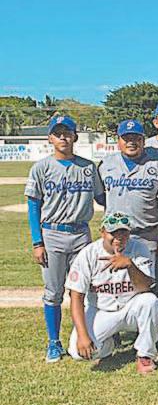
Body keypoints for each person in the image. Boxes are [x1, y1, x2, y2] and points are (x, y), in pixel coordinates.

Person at [25, 115, 105, 363]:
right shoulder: (41, 168)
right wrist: (37, 242)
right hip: (52, 234)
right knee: (53, 292)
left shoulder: (88, 167)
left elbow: (103, 198)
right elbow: (33, 206)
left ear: (75, 137)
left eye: (67, 133)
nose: (63, 137)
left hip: (81, 234)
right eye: (58, 133)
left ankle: (88, 335)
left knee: (87, 289)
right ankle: (53, 342)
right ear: (50, 138)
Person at [66, 212, 158, 374]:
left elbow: (146, 287)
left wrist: (130, 265)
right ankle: (107, 347)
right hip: (100, 310)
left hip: (130, 308)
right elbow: (76, 297)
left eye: (123, 232)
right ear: (102, 232)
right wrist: (82, 335)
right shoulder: (88, 254)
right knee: (77, 351)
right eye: (113, 232)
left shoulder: (139, 248)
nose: (119, 237)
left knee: (150, 301)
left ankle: (145, 354)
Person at [98, 119, 158, 298]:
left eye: (136, 138)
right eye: (126, 138)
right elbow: (101, 197)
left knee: (151, 285)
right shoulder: (106, 164)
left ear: (143, 140)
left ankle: (153, 316)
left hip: (149, 234)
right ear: (118, 140)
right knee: (117, 283)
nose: (131, 142)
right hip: (116, 236)